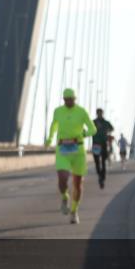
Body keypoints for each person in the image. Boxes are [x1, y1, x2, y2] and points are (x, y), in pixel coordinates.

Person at [45, 88, 97, 224]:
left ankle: (74, 212)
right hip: (62, 150)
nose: (69, 102)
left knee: (78, 184)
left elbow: (93, 129)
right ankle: (64, 197)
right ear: (64, 100)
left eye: (72, 99)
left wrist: (84, 134)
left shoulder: (81, 111)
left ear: (75, 99)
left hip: (78, 151)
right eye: (67, 100)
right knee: (62, 179)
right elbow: (54, 125)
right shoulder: (58, 111)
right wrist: (50, 138)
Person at [91, 108, 114, 189]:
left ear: (102, 113)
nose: (100, 114)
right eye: (98, 113)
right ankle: (99, 175)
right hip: (96, 144)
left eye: (101, 113)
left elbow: (112, 128)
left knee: (103, 161)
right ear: (97, 113)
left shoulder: (106, 122)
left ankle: (102, 178)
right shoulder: (93, 122)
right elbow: (89, 129)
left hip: (103, 143)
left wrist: (107, 131)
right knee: (97, 161)